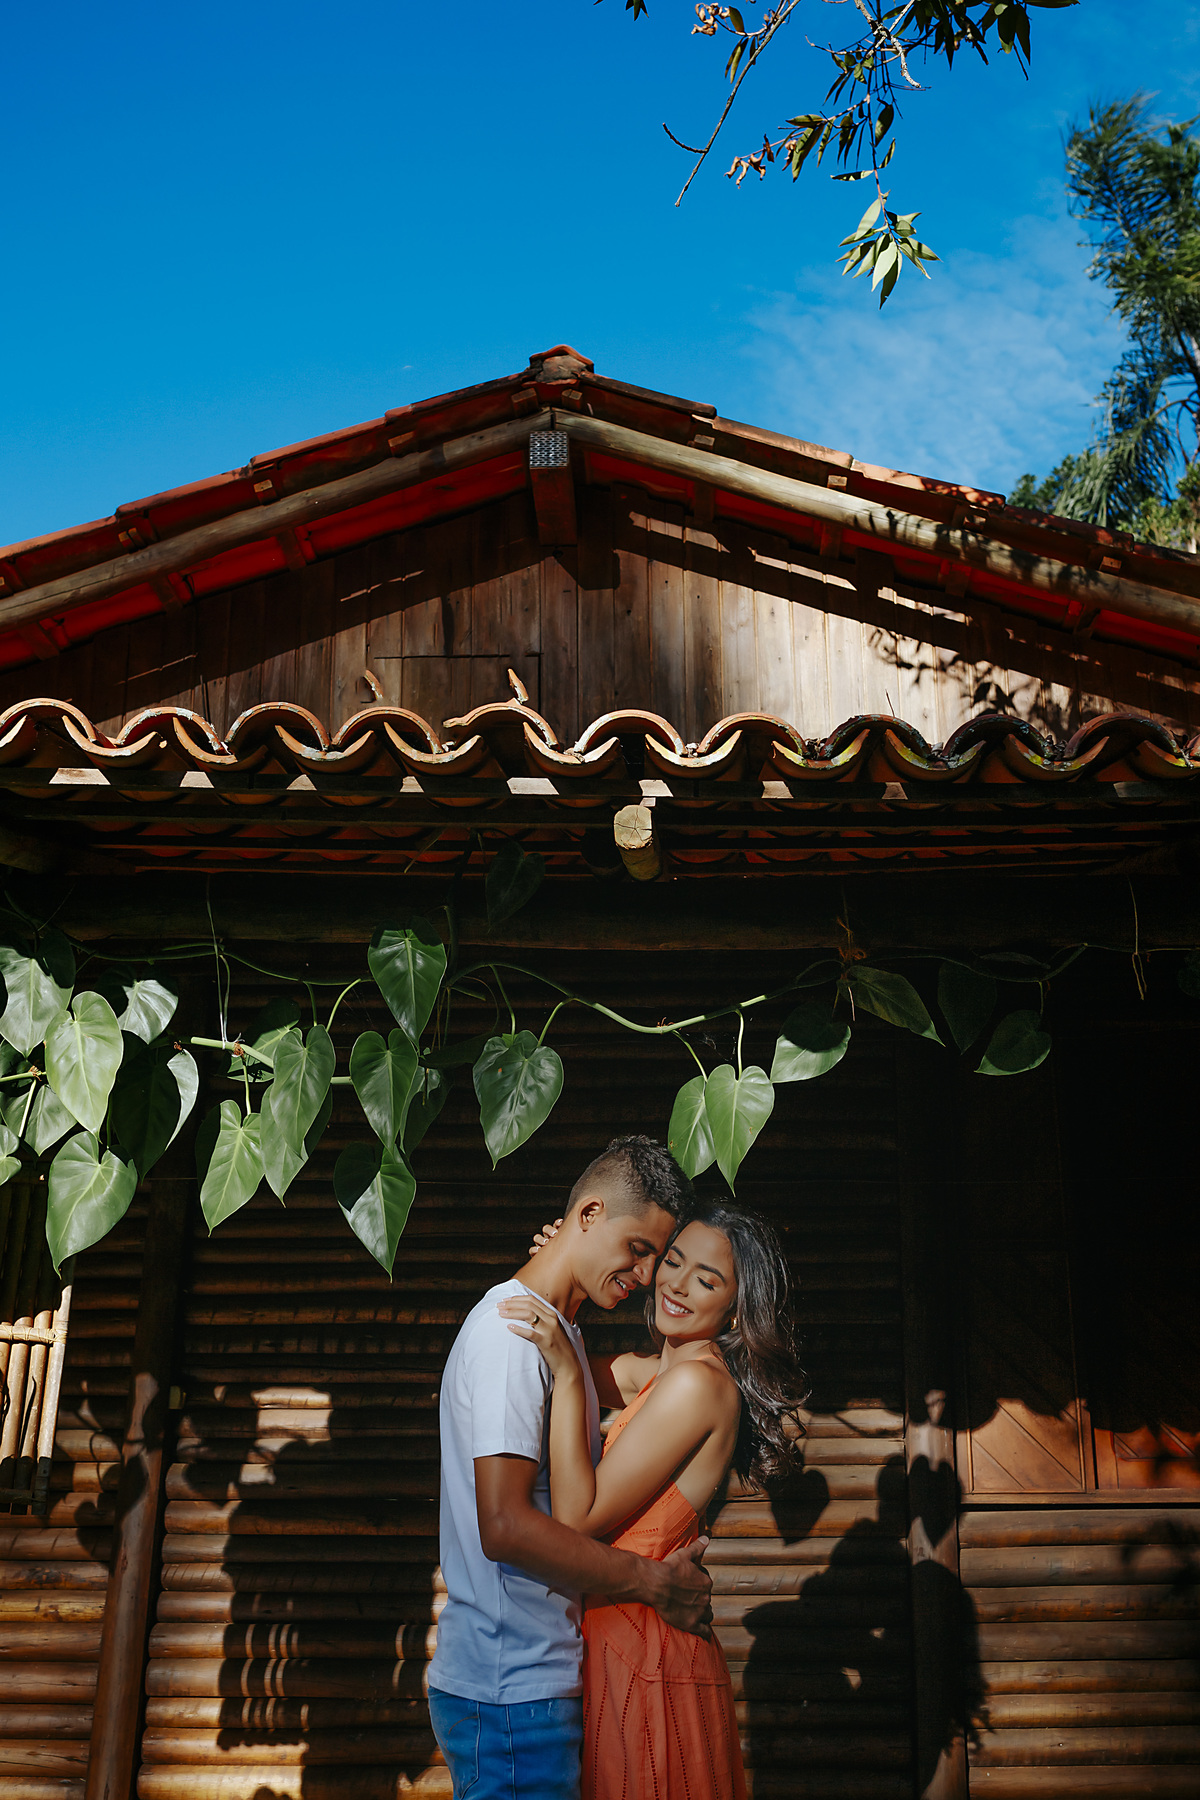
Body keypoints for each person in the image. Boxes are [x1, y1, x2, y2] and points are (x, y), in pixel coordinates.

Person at [427, 1135, 713, 1800]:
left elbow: (651, 1377)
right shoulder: (511, 1338)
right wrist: (651, 1583)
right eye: (637, 1250)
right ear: (587, 1216)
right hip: (509, 1692)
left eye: (656, 1259)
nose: (644, 1274)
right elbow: (504, 1526)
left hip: (531, 1683)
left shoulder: (559, 1336)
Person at [498, 1197, 808, 1800]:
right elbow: (550, 1360)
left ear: (738, 1312)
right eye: (674, 1261)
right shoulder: (663, 1372)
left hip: (645, 1655)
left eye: (707, 1278)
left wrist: (566, 1374)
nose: (679, 1284)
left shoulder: (697, 1384)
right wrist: (571, 1278)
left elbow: (576, 1517)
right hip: (623, 1640)